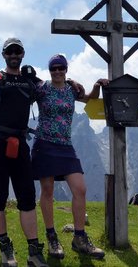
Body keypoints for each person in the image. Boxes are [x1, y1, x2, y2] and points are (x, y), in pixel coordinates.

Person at [0, 38, 49, 267]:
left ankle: (34, 253)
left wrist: (73, 84)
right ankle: (6, 251)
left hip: (20, 145)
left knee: (27, 198)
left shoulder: (29, 80)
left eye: (17, 51)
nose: (14, 54)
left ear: (23, 54)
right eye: (10, 51)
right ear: (4, 54)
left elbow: (51, 87)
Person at [31, 54, 107, 260]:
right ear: (49, 70)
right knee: (47, 191)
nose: (57, 71)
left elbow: (89, 97)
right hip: (44, 144)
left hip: (65, 146)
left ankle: (79, 238)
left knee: (80, 189)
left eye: (60, 68)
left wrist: (97, 85)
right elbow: (24, 94)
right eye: (53, 68)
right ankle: (52, 238)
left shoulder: (71, 90)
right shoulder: (42, 88)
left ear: (66, 69)